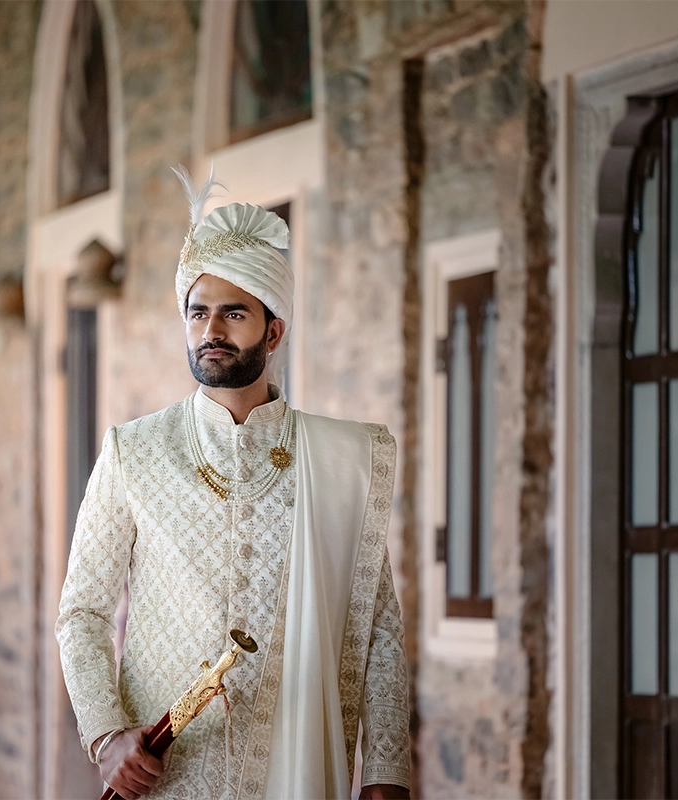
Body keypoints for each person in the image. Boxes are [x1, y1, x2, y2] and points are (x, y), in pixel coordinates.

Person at [55, 168, 411, 800]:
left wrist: (385, 770)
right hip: (171, 779)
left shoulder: (333, 464)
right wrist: (106, 737)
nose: (211, 331)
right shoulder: (132, 452)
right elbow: (81, 612)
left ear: (273, 331)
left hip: (293, 768)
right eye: (198, 314)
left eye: (233, 313)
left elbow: (376, 622)